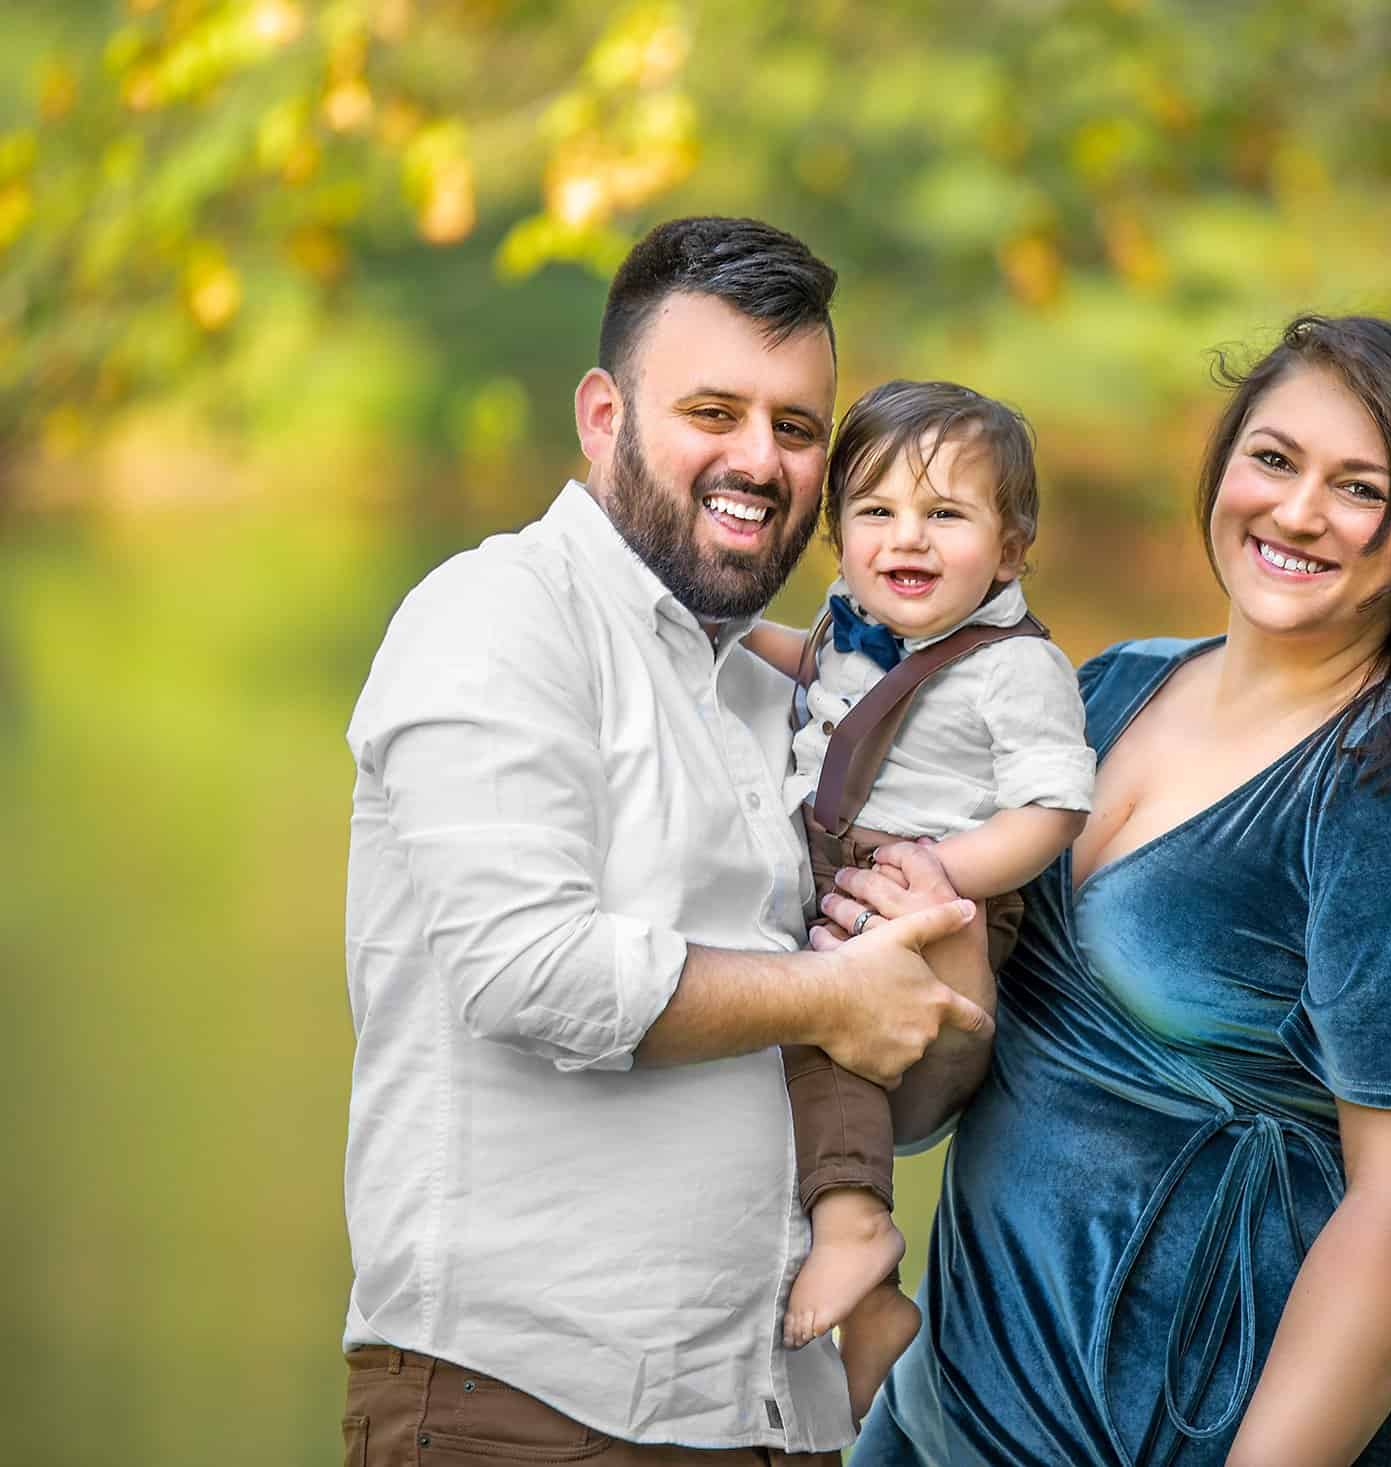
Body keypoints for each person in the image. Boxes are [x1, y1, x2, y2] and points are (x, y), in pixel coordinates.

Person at [840, 315, 1391, 1466]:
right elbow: (946, 1094)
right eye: (1273, 459)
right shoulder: (1104, 688)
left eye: (1357, 486)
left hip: (1211, 1432)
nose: (1297, 510)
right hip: (960, 1409)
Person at [337, 216, 996, 1466]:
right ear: (602, 417)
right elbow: (525, 969)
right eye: (714, 411)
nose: (760, 459)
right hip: (521, 1410)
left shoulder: (782, 701)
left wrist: (937, 998)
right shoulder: (496, 618)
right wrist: (829, 990)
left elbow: (862, 1074)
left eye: (796, 428)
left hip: (771, 1412)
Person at [740, 380, 1094, 1413]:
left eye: (946, 515)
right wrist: (719, 636)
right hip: (843, 866)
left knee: (825, 1027)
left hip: (932, 888)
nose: (910, 538)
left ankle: (858, 1234)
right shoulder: (855, 621)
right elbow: (819, 675)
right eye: (878, 512)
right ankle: (878, 1306)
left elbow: (1051, 809)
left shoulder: (1014, 671)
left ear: (1013, 548)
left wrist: (949, 875)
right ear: (837, 534)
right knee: (781, 1035)